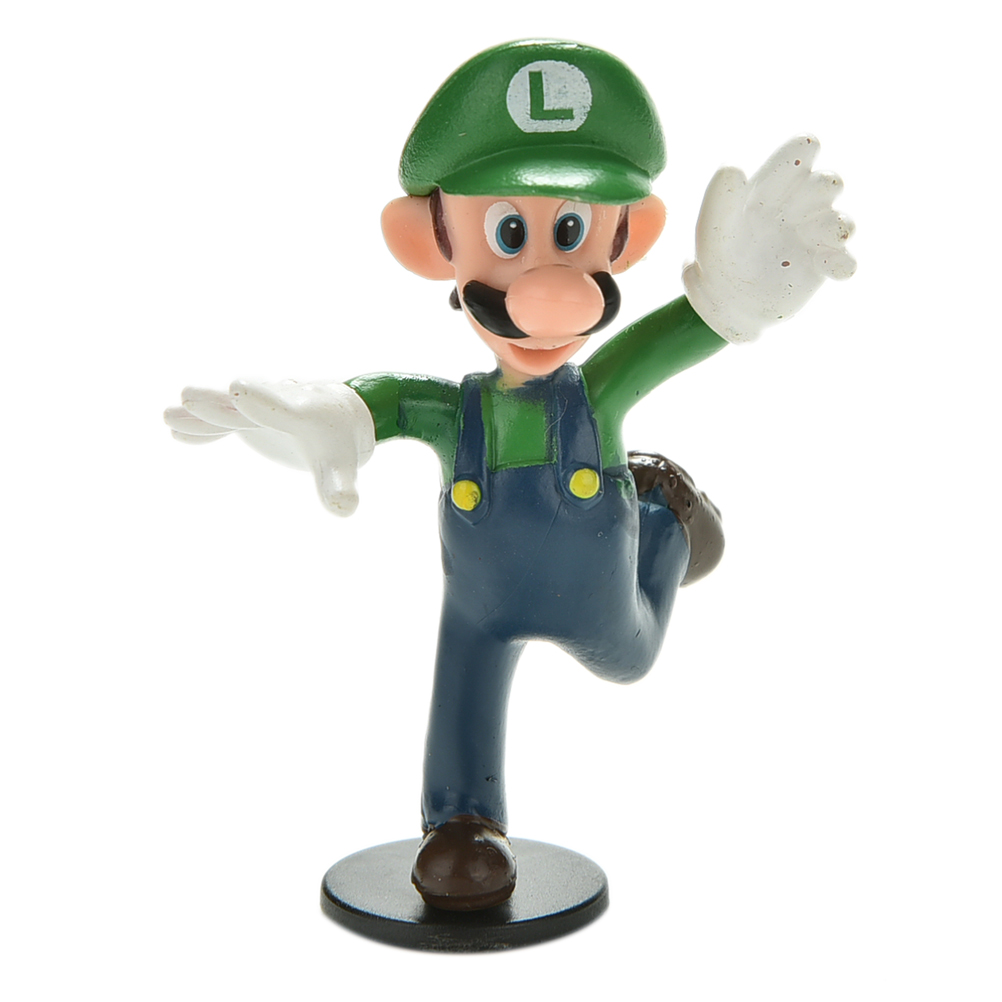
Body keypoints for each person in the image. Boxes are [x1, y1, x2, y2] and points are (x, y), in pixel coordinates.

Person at [165, 39, 855, 911]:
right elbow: (365, 406)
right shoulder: (452, 410)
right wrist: (319, 421)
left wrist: (739, 293)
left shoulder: (595, 395)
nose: (546, 292)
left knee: (632, 659)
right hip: (479, 611)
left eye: (570, 233)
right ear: (431, 240)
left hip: (596, 588)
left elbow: (687, 332)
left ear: (627, 234)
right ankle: (463, 820)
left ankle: (669, 525)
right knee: (461, 696)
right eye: (508, 235)